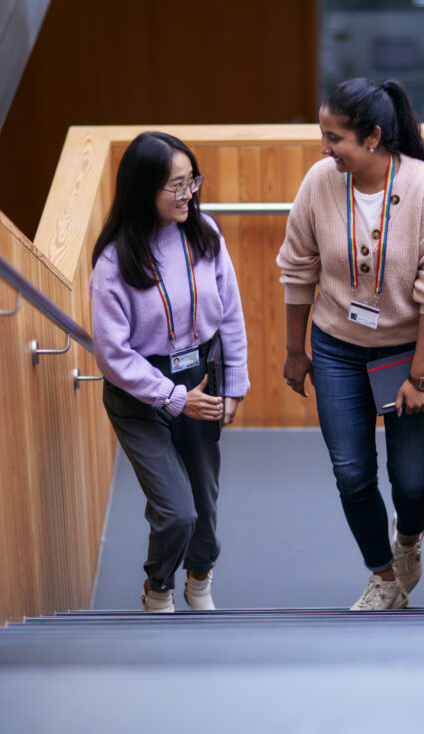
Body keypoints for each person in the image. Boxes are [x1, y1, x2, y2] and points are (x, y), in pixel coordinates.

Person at [276, 78, 424, 611]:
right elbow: (298, 268)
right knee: (352, 473)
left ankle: (409, 537)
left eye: (335, 138)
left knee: (410, 482)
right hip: (336, 343)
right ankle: (384, 577)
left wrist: (421, 377)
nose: (325, 148)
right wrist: (296, 350)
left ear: (374, 137)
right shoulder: (320, 182)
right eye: (323, 134)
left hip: (409, 349)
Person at [90, 132, 249, 613]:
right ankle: (158, 586)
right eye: (176, 186)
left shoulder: (206, 234)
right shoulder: (114, 262)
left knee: (204, 501)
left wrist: (235, 384)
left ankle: (199, 578)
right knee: (176, 510)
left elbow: (231, 315)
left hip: (200, 377)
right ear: (144, 189)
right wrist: (175, 398)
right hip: (140, 392)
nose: (189, 195)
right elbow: (114, 356)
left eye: (191, 182)